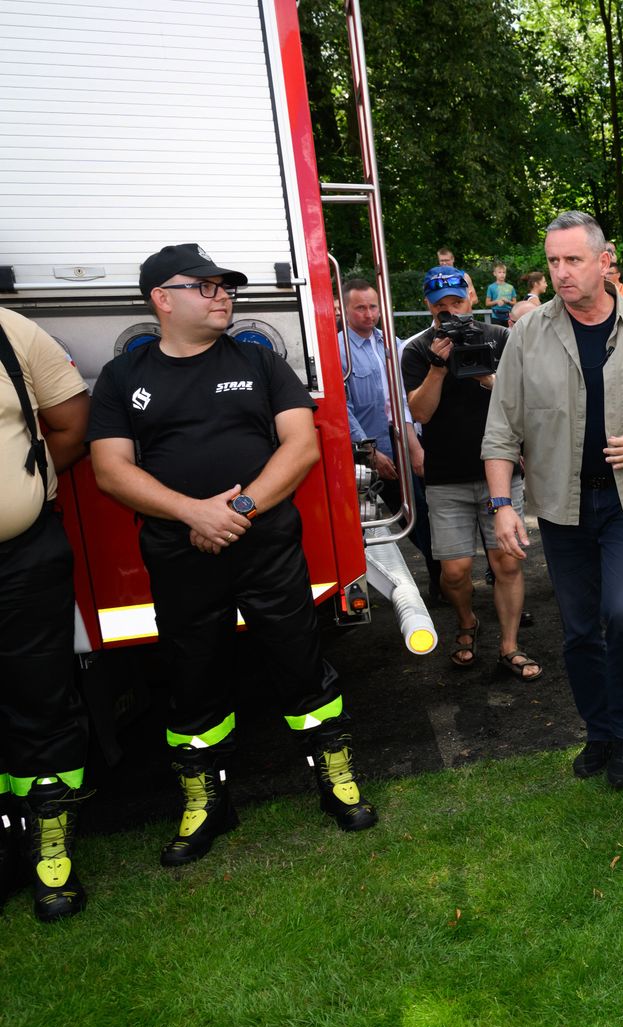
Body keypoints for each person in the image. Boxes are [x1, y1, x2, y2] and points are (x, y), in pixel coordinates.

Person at [88, 244, 378, 865]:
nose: (223, 296)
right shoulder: (122, 379)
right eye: (205, 286)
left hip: (265, 545)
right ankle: (205, 801)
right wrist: (194, 513)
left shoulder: (259, 360)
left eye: (226, 287)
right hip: (178, 550)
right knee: (192, 674)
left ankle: (335, 776)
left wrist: (235, 512)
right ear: (161, 299)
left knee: (300, 657)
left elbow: (300, 447)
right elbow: (111, 471)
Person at [484, 211, 623, 789]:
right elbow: (501, 428)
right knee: (578, 628)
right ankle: (599, 731)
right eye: (552, 262)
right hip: (562, 508)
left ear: (606, 261)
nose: (561, 273)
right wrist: (502, 506)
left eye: (573, 260)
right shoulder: (528, 333)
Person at [0, 307, 91, 920]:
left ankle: (49, 851)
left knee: (41, 697)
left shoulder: (10, 330)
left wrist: (26, 488)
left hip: (22, 559)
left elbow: (70, 423)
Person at [402, 266, 534, 681]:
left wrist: (487, 377)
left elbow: (524, 400)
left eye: (457, 302)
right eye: (441, 306)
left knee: (506, 564)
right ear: (429, 306)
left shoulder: (499, 338)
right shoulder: (417, 349)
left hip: (499, 470)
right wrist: (440, 367)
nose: (450, 312)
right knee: (454, 572)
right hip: (446, 475)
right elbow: (420, 412)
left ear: (472, 297)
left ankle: (510, 645)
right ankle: (466, 622)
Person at [340, 278, 436, 592]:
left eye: (373, 307)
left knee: (420, 512)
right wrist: (370, 451)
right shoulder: (338, 350)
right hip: (366, 455)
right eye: (360, 308)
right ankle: (365, 585)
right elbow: (344, 407)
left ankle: (442, 580)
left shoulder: (389, 343)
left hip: (402, 444)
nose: (369, 314)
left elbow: (404, 396)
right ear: (344, 308)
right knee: (371, 523)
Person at [484, 262, 518, 327]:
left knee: (509, 335)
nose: (502, 274)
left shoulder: (511, 287)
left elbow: (515, 303)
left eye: (504, 272)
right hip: (495, 316)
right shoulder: (491, 287)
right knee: (497, 336)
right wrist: (497, 301)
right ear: (495, 274)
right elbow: (487, 303)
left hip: (509, 317)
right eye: (499, 272)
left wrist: (507, 301)